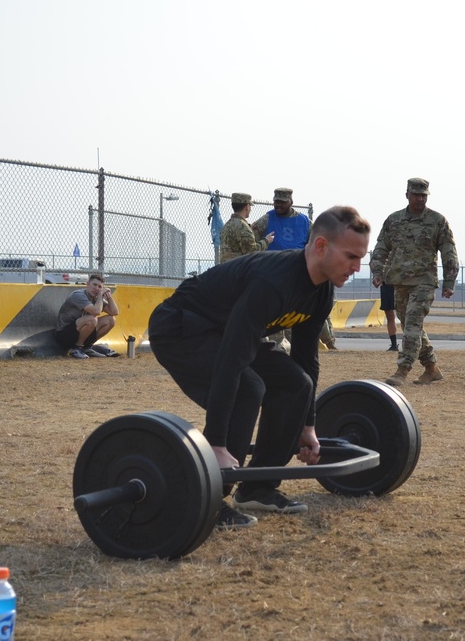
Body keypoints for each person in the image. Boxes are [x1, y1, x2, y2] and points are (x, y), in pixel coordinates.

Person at [148, 206, 370, 530]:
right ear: (321, 246)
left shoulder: (322, 291)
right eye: (351, 256)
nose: (357, 266)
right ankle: (211, 496)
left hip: (224, 330)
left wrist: (307, 426)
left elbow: (306, 356)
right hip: (182, 327)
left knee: (297, 383)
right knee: (249, 388)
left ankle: (258, 487)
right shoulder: (274, 282)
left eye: (361, 258)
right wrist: (217, 444)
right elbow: (231, 360)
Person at [370, 177, 459, 386]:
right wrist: (377, 271)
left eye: (423, 196)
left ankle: (402, 369)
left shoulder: (437, 221)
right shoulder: (393, 220)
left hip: (424, 282)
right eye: (416, 195)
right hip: (399, 282)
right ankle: (431, 368)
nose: (420, 199)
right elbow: (381, 247)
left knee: (411, 324)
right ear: (407, 195)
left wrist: (449, 282)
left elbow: (449, 252)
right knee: (413, 327)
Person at [252, 187, 314, 350]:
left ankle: (296, 344)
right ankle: (277, 344)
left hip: (297, 273)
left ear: (291, 202)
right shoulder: (267, 219)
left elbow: (316, 242)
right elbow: (251, 239)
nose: (278, 205)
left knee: (295, 311)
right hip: (273, 272)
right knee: (275, 310)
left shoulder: (304, 222)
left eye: (282, 202)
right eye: (276, 202)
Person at [55, 274, 119, 359]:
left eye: (100, 287)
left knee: (111, 320)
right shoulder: (78, 295)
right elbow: (96, 311)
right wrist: (100, 296)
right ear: (88, 284)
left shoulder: (96, 298)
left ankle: (87, 347)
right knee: (92, 319)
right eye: (94, 285)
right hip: (64, 335)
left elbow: (115, 312)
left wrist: (109, 297)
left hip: (79, 332)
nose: (96, 288)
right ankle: (76, 349)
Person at [219, 192, 273, 263]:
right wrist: (266, 241)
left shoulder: (227, 225)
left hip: (225, 268)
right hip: (237, 269)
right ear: (247, 207)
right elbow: (252, 251)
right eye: (250, 206)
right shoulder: (242, 226)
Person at [381, 282, 398, 351]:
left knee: (405, 315)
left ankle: (410, 344)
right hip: (387, 284)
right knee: (389, 315)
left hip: (401, 285)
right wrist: (377, 275)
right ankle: (394, 345)